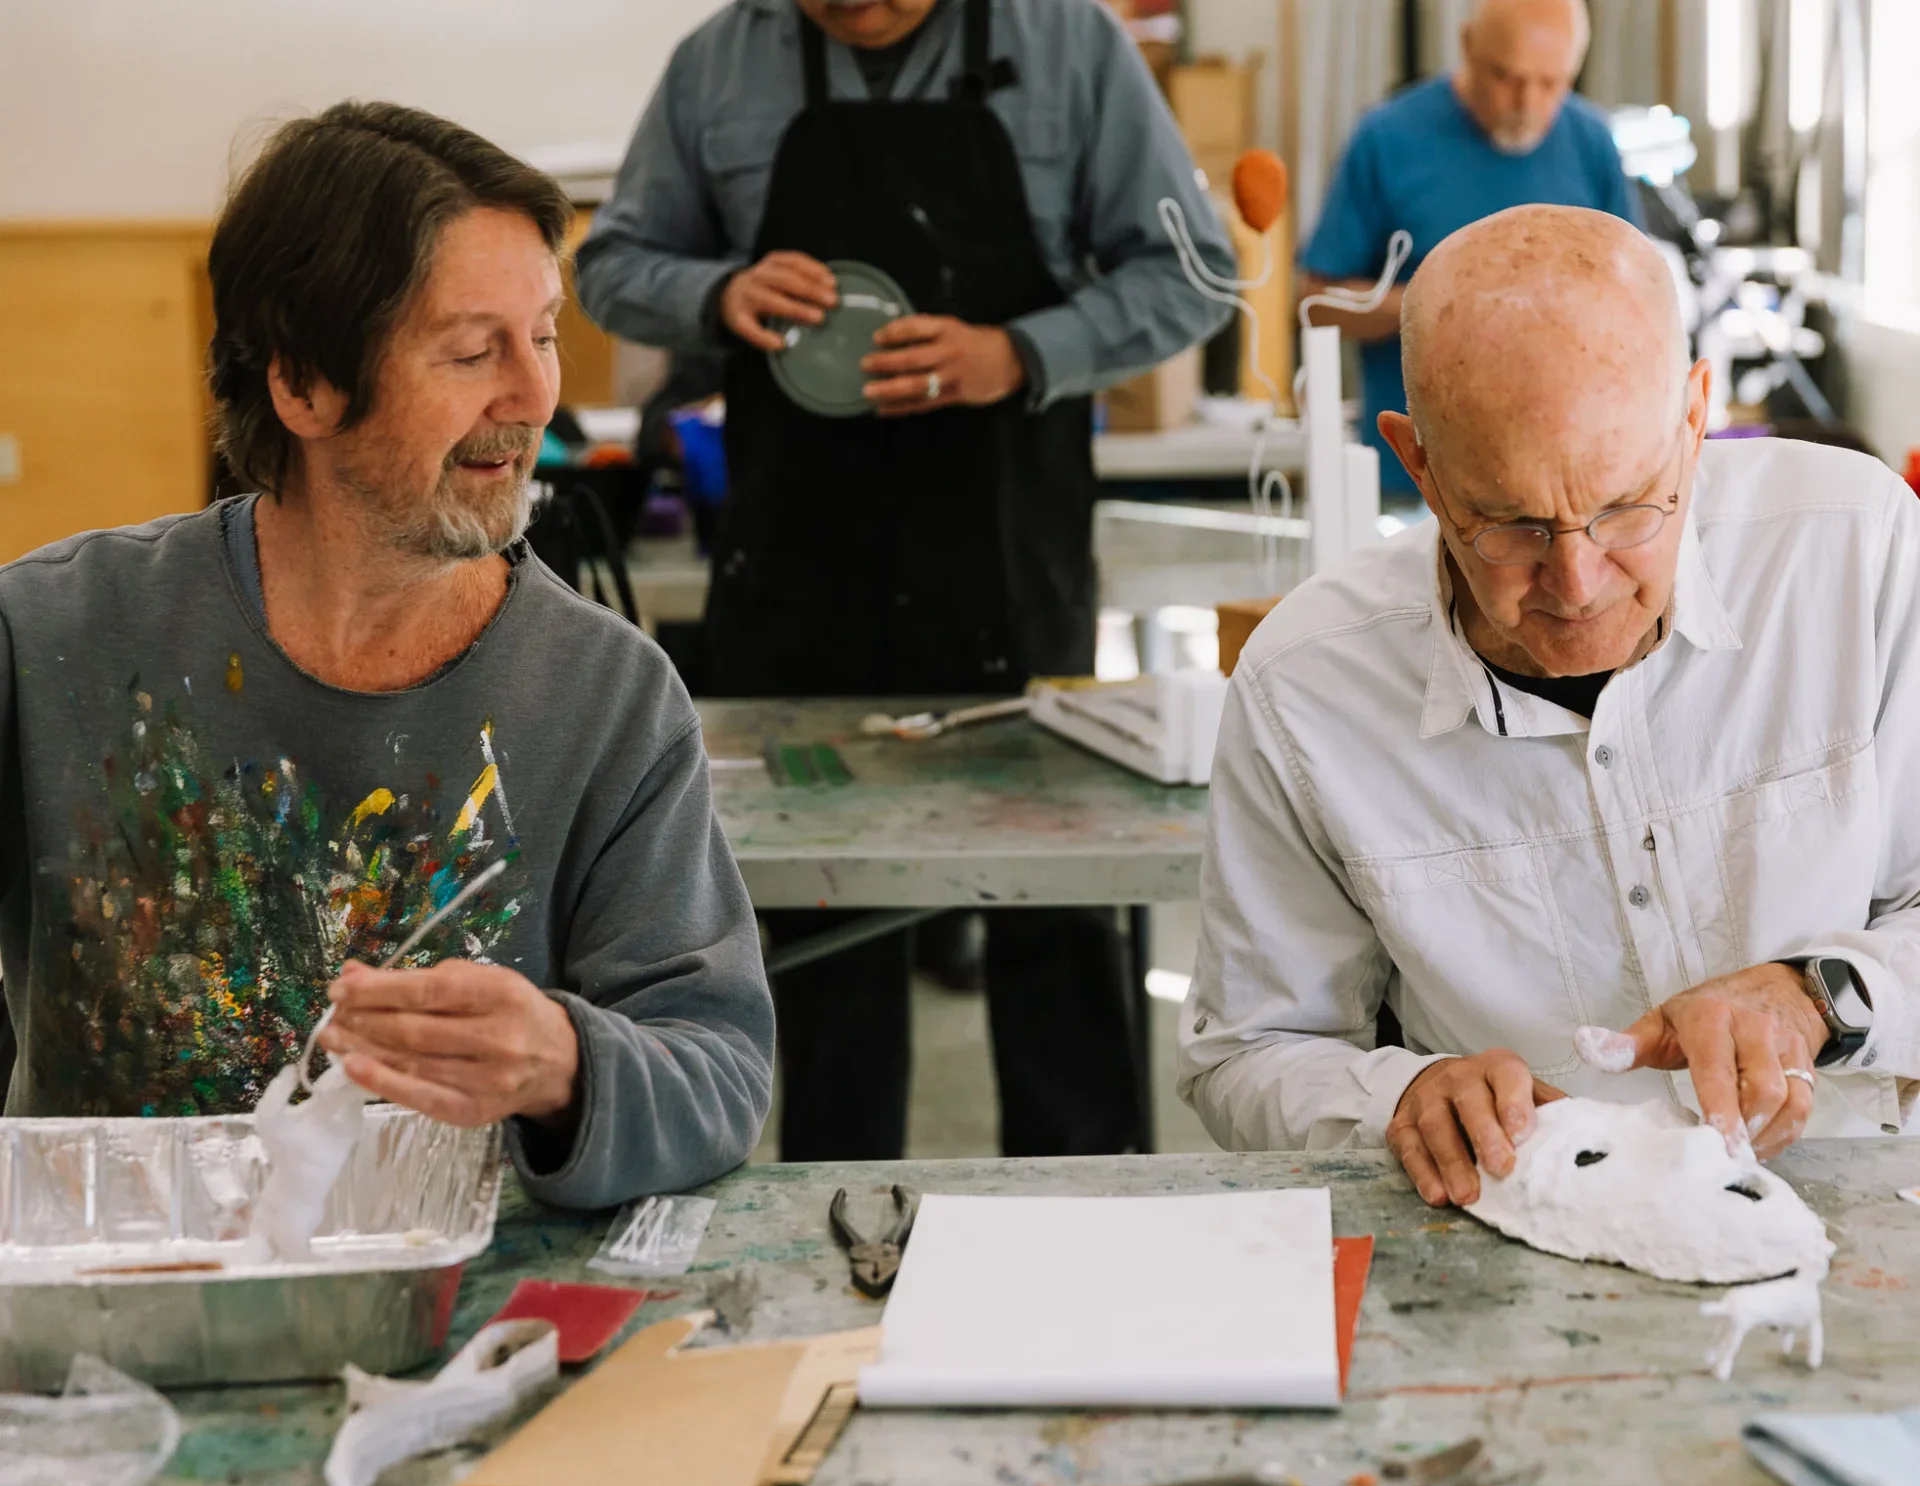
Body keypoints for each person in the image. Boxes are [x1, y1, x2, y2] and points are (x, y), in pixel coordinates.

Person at [0, 102, 775, 1211]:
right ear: (304, 384)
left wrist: (564, 1064)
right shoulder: (52, 637)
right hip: (105, 1338)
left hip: (449, 1339)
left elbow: (720, 1068)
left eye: (543, 333)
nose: (533, 395)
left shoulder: (606, 694)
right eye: (471, 350)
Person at [576, 0, 1235, 1161]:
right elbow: (612, 266)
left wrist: (1023, 351)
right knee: (823, 948)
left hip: (1010, 575)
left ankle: (1090, 1262)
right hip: (797, 577)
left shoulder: (1071, 47)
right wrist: (717, 292)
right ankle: (833, 1292)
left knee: (1064, 936)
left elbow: (1194, 275)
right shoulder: (716, 67)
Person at [1180, 205, 1919, 1209]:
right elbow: (1247, 1048)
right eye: (1512, 523)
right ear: (1422, 468)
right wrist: (1403, 1095)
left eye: (1626, 506)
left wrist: (1818, 994)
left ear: (1696, 419)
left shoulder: (1859, 550)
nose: (1576, 583)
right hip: (1519, 1247)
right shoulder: (1306, 688)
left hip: (1865, 1210)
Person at [1299, 0, 1640, 497]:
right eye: (1506, 77)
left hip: (1568, 482)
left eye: (1551, 84)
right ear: (1467, 47)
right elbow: (1316, 304)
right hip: (1418, 478)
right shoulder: (1387, 140)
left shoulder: (1591, 143)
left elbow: (1631, 299)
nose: (1526, 102)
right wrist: (1453, 305)